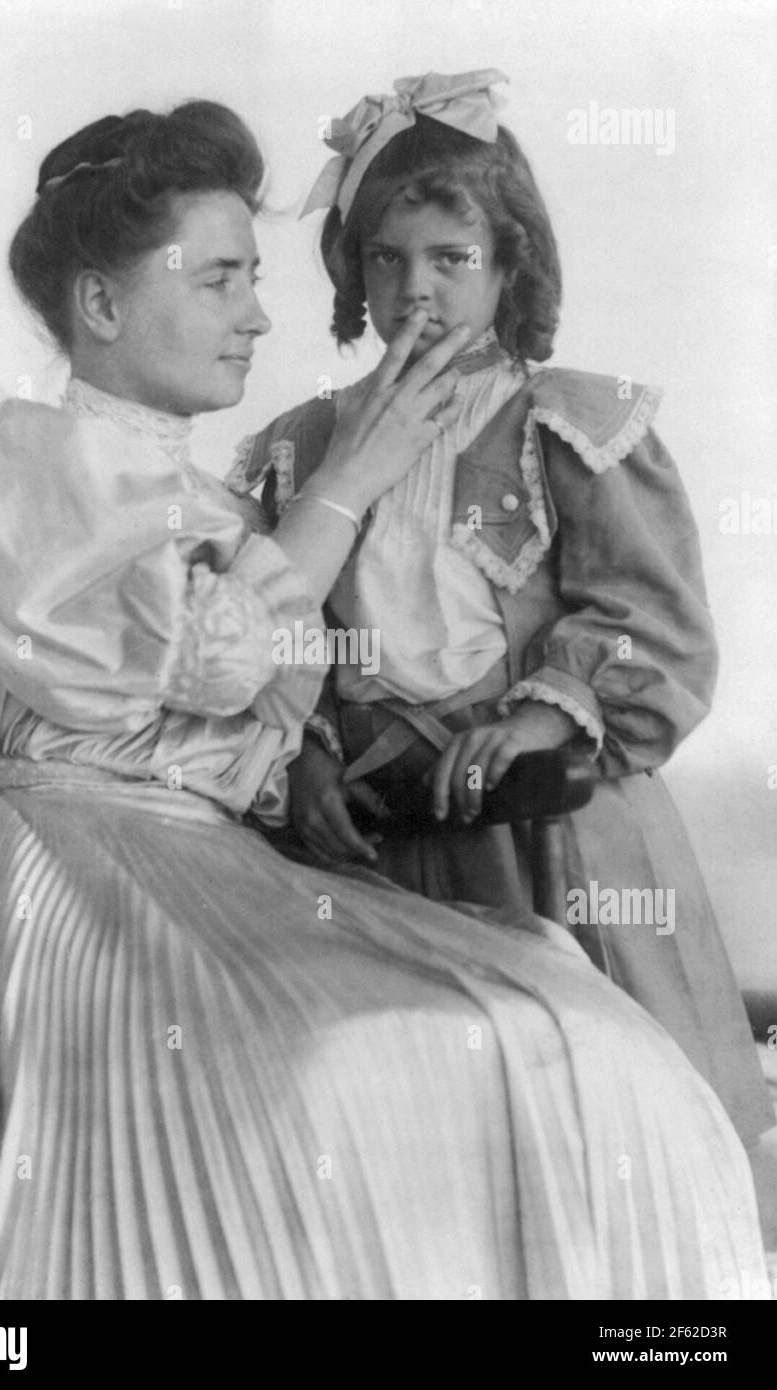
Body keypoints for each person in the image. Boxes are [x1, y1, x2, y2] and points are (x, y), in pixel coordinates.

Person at [0, 98, 768, 1300]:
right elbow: (216, 659)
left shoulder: (240, 507)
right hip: (70, 877)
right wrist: (347, 486)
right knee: (346, 1065)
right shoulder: (17, 459)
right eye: (223, 280)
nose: (259, 315)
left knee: (574, 1032)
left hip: (258, 864)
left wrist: (301, 745)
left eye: (258, 277)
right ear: (99, 304)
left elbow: (277, 698)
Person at [227, 70, 773, 1155]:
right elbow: (278, 630)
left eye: (450, 258)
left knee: (594, 1116)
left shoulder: (567, 426)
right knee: (424, 1130)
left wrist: (539, 716)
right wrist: (313, 756)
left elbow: (652, 624)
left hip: (546, 826)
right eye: (386, 259)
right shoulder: (304, 447)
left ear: (510, 258)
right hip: (381, 841)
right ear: (351, 268)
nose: (415, 290)